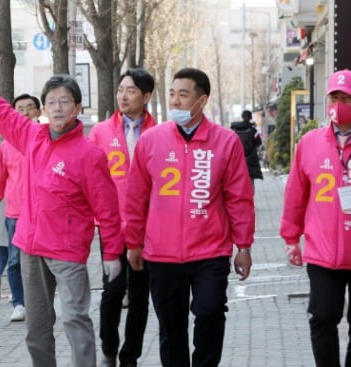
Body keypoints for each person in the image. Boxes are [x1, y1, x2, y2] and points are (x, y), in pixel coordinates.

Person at [0, 75, 124, 367]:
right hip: (30, 247)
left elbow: (107, 210)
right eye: (51, 102)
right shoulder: (31, 137)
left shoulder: (89, 155)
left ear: (77, 108)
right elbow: (2, 112)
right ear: (43, 108)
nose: (57, 108)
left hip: (67, 251)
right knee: (36, 327)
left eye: (65, 102)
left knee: (74, 319)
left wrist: (112, 253)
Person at [125, 68, 255, 367]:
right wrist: (133, 241)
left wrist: (244, 246)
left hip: (210, 251)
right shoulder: (151, 140)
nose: (176, 101)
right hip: (162, 253)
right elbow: (136, 196)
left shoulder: (225, 142)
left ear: (202, 100)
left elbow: (239, 199)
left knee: (210, 313)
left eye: (184, 95)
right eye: (172, 94)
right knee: (171, 328)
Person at [281, 69, 351, 367]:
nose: (338, 103)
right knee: (322, 318)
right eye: (334, 97)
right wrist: (290, 238)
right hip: (323, 253)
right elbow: (296, 194)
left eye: (346, 97)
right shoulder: (309, 143)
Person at [88, 68, 156, 367]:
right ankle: (108, 349)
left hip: (149, 226)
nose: (123, 95)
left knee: (140, 295)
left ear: (147, 96)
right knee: (112, 289)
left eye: (130, 90)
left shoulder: (160, 133)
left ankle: (131, 356)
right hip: (112, 224)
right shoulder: (101, 132)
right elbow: (88, 176)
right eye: (120, 90)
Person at [0, 93, 41, 322]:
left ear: (39, 111)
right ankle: (19, 303)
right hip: (16, 214)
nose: (25, 112)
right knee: (15, 259)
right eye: (20, 108)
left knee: (45, 261)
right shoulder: (7, 146)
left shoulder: (47, 139)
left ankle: (41, 302)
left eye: (30, 107)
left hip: (45, 212)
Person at [230, 110, 263, 189]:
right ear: (250, 117)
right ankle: (250, 198)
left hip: (237, 158)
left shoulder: (234, 130)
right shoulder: (253, 130)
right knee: (251, 181)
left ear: (242, 116)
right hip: (251, 159)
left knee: (238, 179)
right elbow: (259, 142)